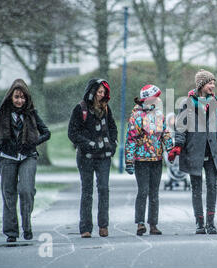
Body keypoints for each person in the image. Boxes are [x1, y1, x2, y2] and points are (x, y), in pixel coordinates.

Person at [0, 79, 51, 242]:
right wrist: (1, 143)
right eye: (16, 97)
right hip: (7, 158)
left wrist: (34, 142)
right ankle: (11, 233)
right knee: (9, 195)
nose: (20, 100)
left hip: (28, 156)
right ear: (10, 97)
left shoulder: (32, 114)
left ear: (27, 99)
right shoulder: (1, 114)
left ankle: (27, 226)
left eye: (23, 97)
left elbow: (46, 133)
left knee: (26, 190)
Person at [169, 69, 217, 235]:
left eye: (214, 83)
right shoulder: (186, 103)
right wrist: (178, 146)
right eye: (210, 83)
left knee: (212, 186)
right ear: (201, 85)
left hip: (213, 151)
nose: (213, 86)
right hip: (194, 151)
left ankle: (211, 223)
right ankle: (199, 223)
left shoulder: (216, 104)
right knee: (196, 188)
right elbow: (181, 128)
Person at [68, 78, 118, 238]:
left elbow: (113, 127)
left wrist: (113, 143)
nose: (101, 95)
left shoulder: (106, 109)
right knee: (87, 191)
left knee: (103, 189)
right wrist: (88, 143)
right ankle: (85, 228)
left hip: (104, 156)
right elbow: (72, 133)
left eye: (104, 92)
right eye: (99, 91)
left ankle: (103, 225)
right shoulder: (80, 109)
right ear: (92, 91)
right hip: (85, 156)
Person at [124, 85, 173, 236]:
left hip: (156, 158)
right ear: (148, 99)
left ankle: (153, 224)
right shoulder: (136, 116)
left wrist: (170, 149)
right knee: (143, 191)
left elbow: (165, 133)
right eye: (156, 96)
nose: (159, 99)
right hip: (141, 159)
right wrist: (129, 160)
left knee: (154, 192)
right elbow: (131, 139)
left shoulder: (159, 115)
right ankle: (140, 223)